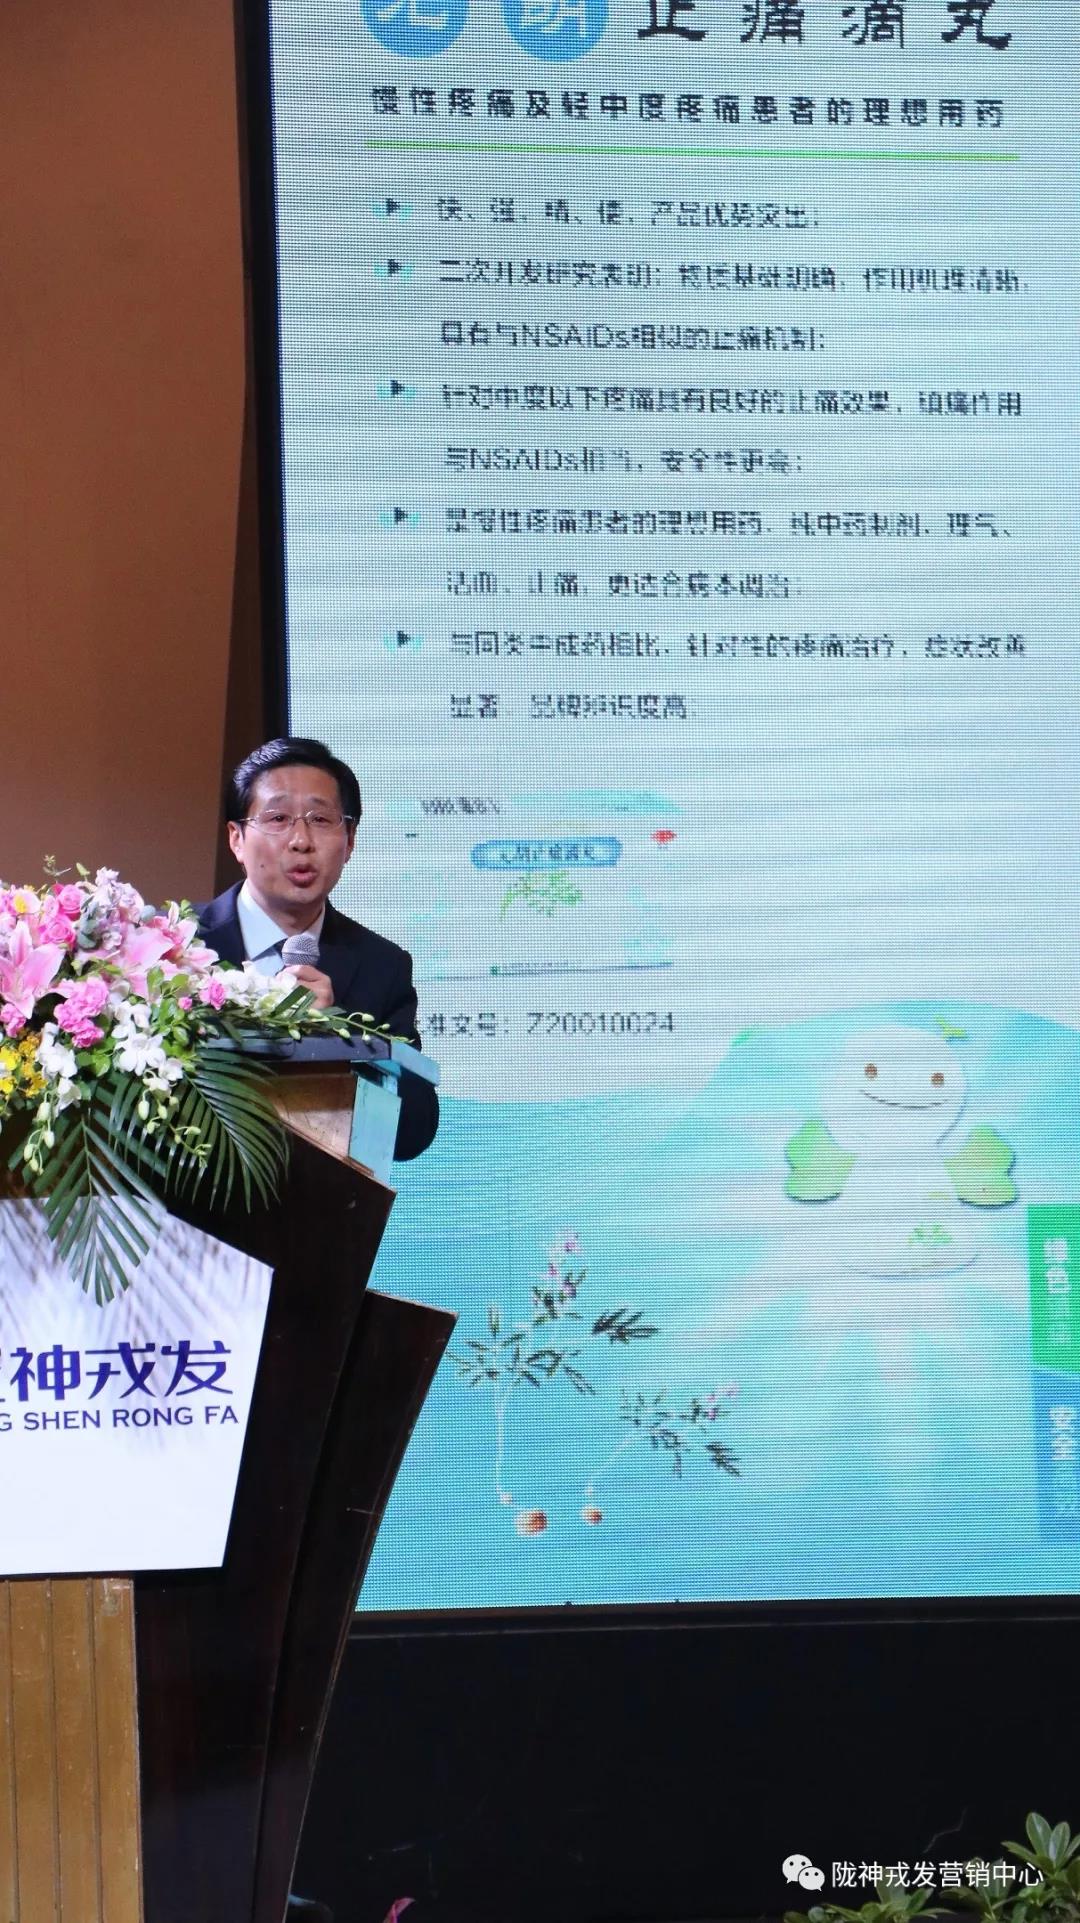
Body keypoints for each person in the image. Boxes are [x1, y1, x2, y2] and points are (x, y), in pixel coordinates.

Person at [197, 736, 438, 1161]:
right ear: (236, 838)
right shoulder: (177, 944)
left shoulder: (382, 965)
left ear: (350, 841)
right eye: (278, 818)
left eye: (321, 820)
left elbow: (414, 1132)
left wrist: (336, 1037)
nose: (301, 841)